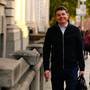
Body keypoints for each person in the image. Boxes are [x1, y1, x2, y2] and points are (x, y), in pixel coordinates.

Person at [43, 6, 85, 90]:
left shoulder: (75, 30)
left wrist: (82, 68)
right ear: (56, 17)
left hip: (72, 68)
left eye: (63, 14)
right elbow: (46, 50)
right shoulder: (51, 31)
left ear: (67, 15)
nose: (61, 16)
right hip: (56, 69)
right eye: (58, 15)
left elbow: (80, 49)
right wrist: (46, 68)